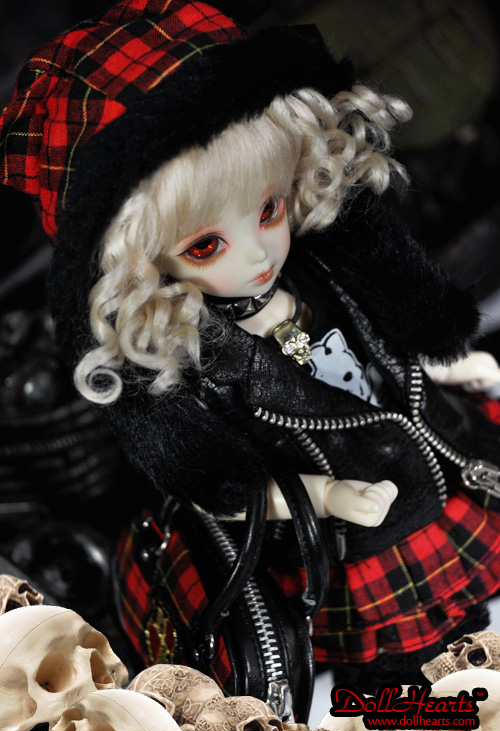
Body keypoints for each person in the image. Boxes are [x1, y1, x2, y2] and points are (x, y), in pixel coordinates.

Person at [2, 0, 500, 693]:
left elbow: (374, 346)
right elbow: (217, 490)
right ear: (138, 263)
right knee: (413, 680)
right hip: (364, 547)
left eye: (269, 209)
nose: (261, 254)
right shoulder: (197, 361)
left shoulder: (319, 264)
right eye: (205, 245)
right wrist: (325, 493)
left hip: (445, 462)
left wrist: (442, 367)